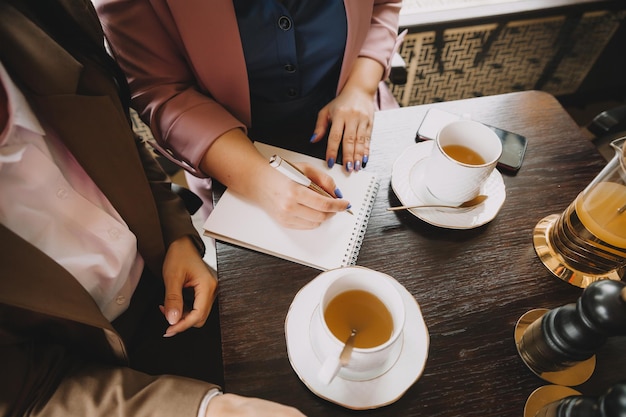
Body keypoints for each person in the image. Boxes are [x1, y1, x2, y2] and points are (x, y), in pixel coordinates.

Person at [0, 1, 305, 416]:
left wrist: (175, 234)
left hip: (169, 288)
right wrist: (204, 411)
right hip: (81, 376)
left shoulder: (41, 19)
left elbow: (120, 135)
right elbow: (25, 395)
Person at [94, 0, 404, 223]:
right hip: (233, 155)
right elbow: (163, 91)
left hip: (356, 123)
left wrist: (360, 88)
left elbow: (382, 5)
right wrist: (259, 181)